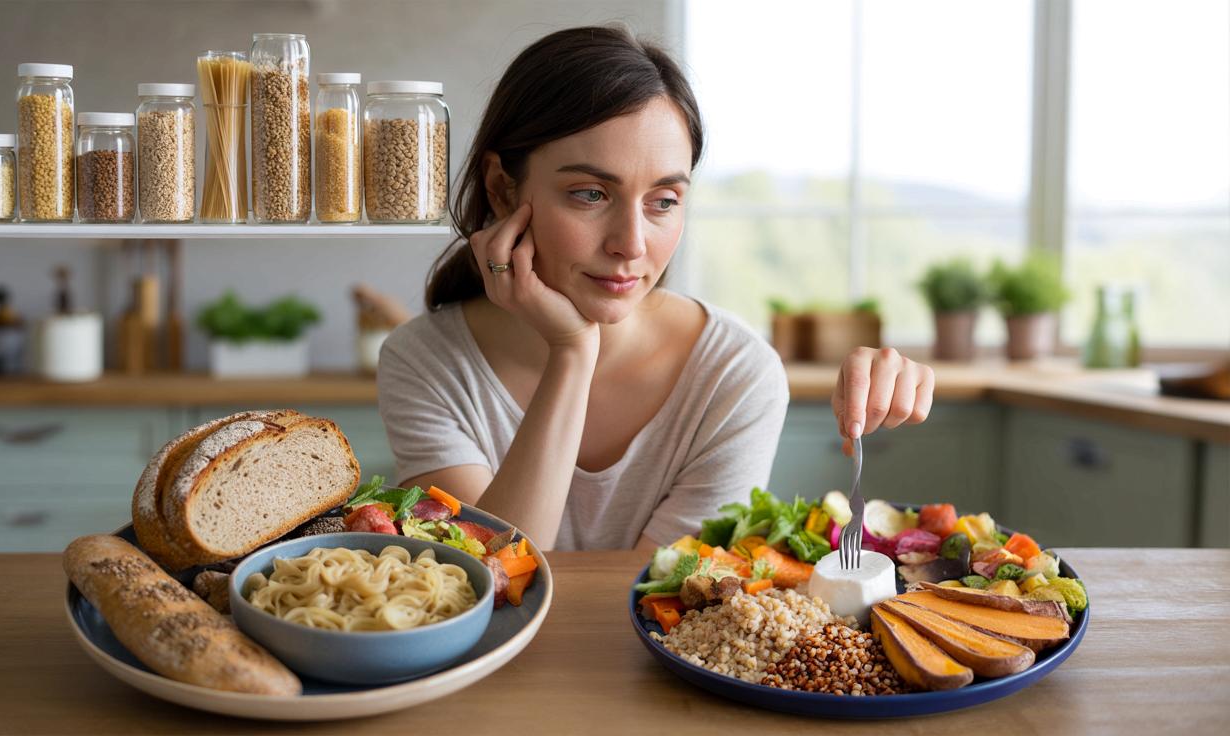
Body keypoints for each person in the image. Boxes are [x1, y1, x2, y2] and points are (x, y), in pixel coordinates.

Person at [377, 26, 934, 551]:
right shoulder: (424, 362)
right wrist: (571, 353)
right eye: (590, 194)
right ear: (502, 188)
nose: (631, 243)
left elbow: (658, 600)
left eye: (663, 201)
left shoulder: (735, 375)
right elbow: (487, 572)